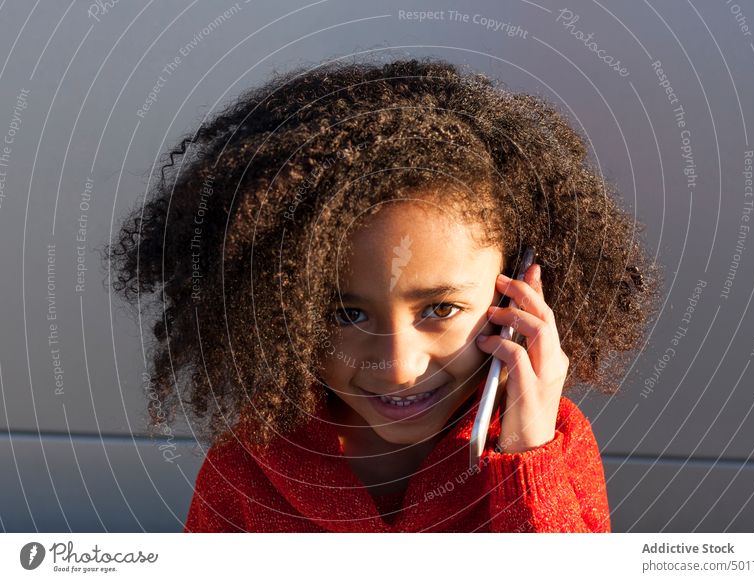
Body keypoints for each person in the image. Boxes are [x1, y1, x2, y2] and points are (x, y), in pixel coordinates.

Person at [106, 57, 662, 532]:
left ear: (520, 296)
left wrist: (524, 460)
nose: (397, 367)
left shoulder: (552, 445)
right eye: (346, 313)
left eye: (440, 309)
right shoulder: (246, 466)